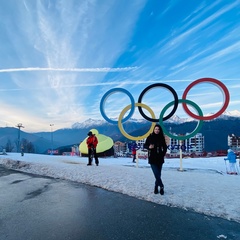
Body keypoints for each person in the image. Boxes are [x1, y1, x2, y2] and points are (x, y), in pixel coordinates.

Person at [144, 124, 167, 195]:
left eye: (158, 129)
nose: (157, 130)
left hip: (160, 158)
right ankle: (162, 186)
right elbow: (145, 145)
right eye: (156, 129)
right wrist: (149, 147)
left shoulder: (161, 137)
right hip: (152, 158)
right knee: (156, 173)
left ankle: (156, 187)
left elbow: (165, 147)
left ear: (160, 130)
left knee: (158, 174)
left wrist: (162, 154)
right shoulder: (150, 137)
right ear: (153, 130)